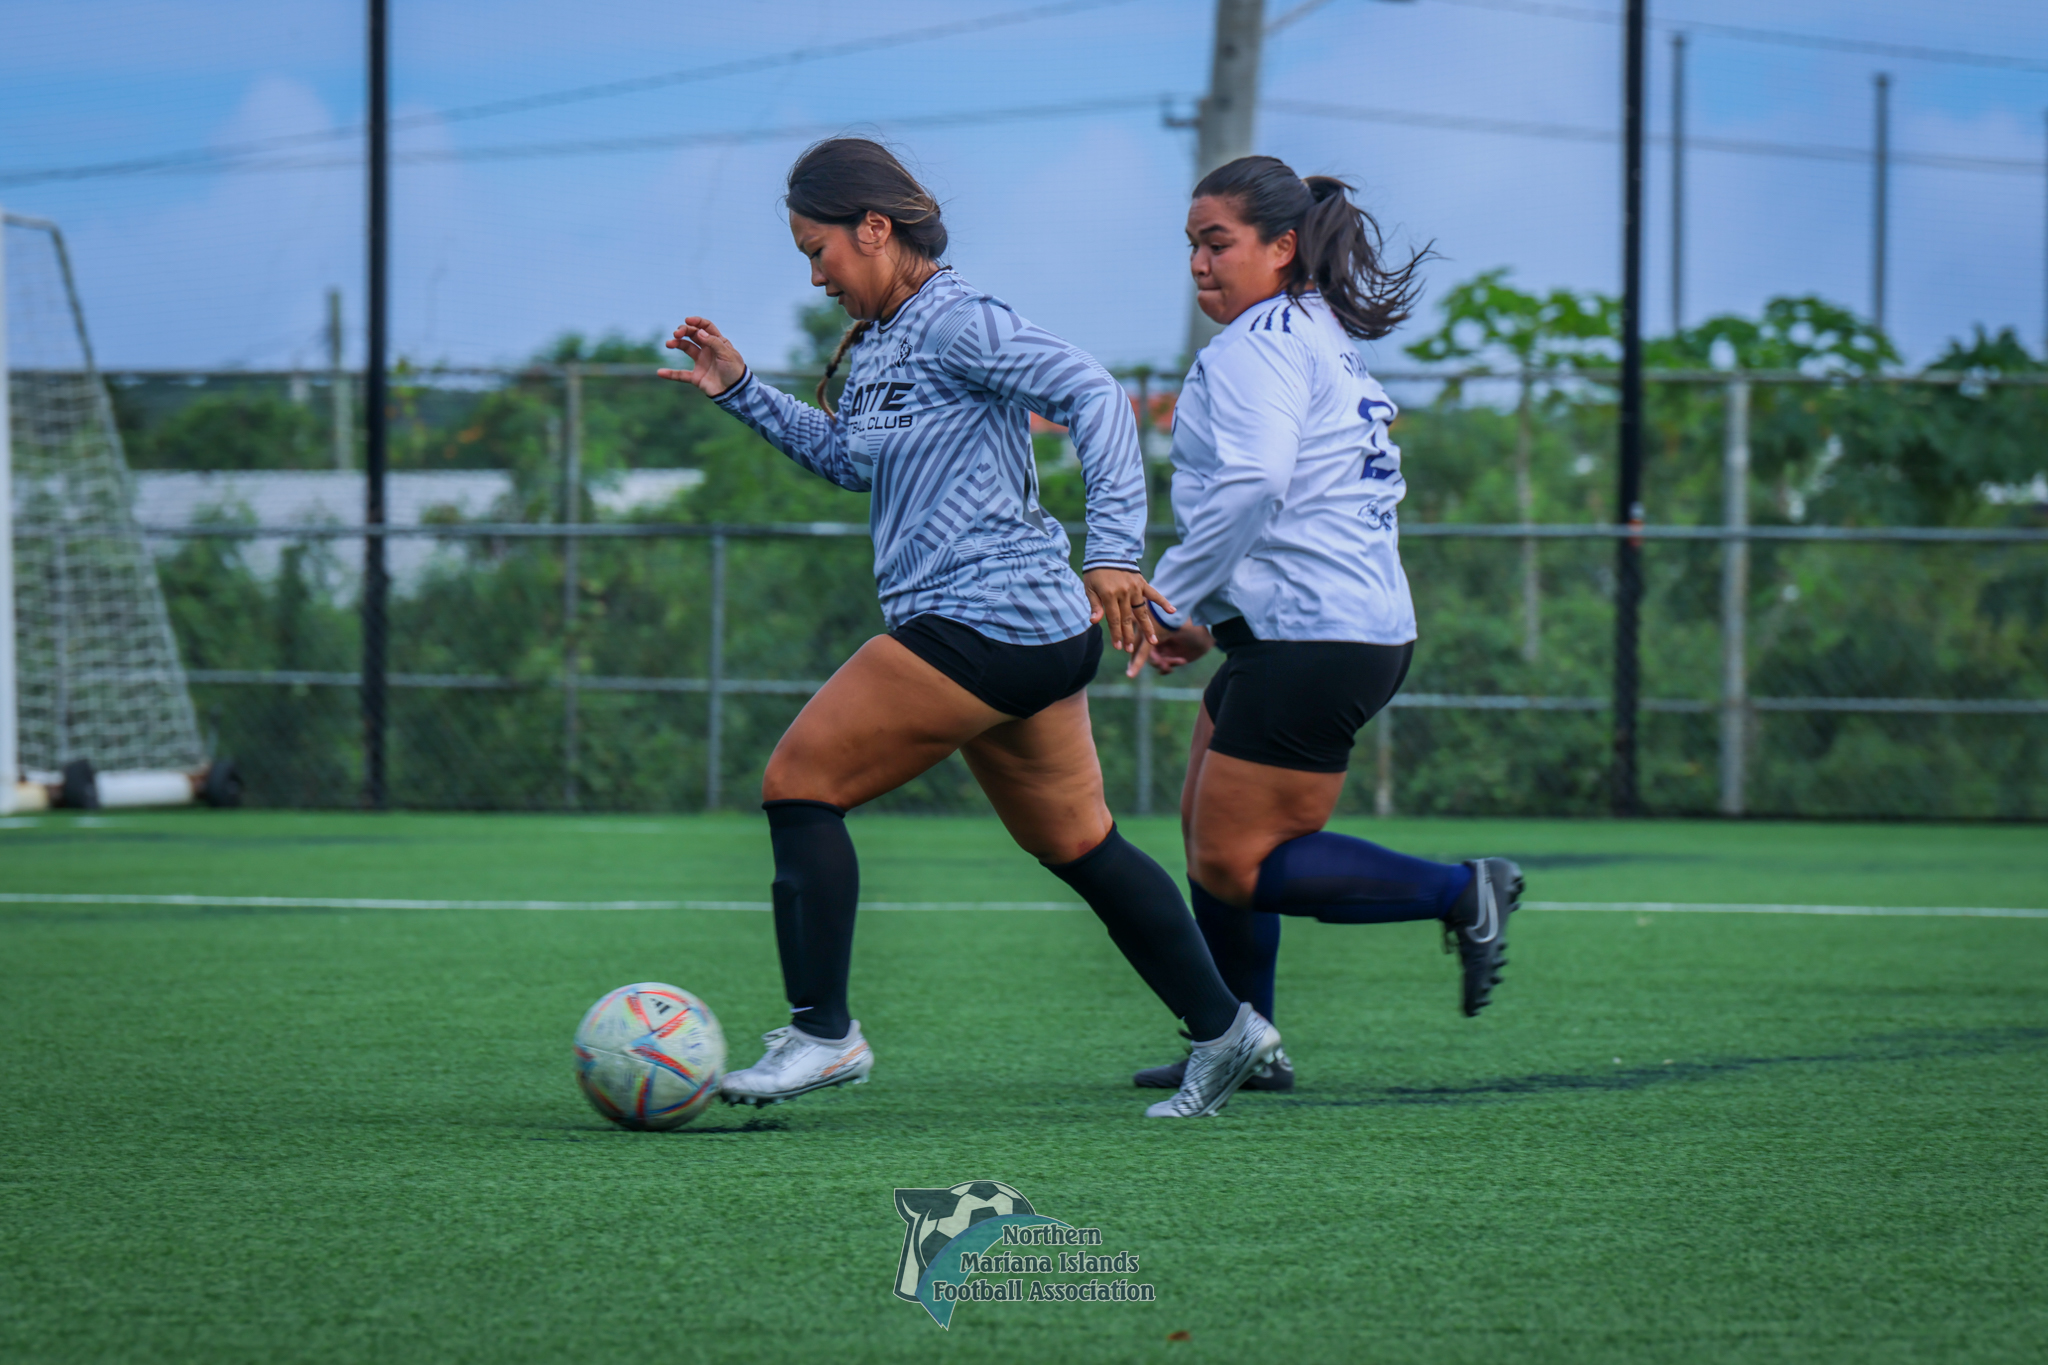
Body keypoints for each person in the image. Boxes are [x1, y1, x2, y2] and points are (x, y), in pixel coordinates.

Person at [657, 138, 1279, 1119]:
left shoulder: (958, 320)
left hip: (990, 617)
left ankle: (823, 1033)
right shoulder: (881, 341)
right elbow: (851, 462)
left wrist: (1114, 553)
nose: (815, 276)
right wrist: (740, 390)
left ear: (874, 227)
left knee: (800, 782)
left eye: (818, 250)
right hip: (1019, 631)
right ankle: (1226, 1028)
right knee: (1079, 843)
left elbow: (1095, 397)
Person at [1126, 156, 1524, 1094]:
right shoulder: (1316, 329)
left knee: (1235, 862)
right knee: (1206, 830)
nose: (1199, 264)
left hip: (1315, 637)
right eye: (1191, 245)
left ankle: (1461, 891)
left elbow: (1258, 482)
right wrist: (1206, 616)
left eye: (1217, 243)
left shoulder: (1256, 344)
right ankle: (1243, 1041)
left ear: (1282, 246)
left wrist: (1167, 598)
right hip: (1320, 628)